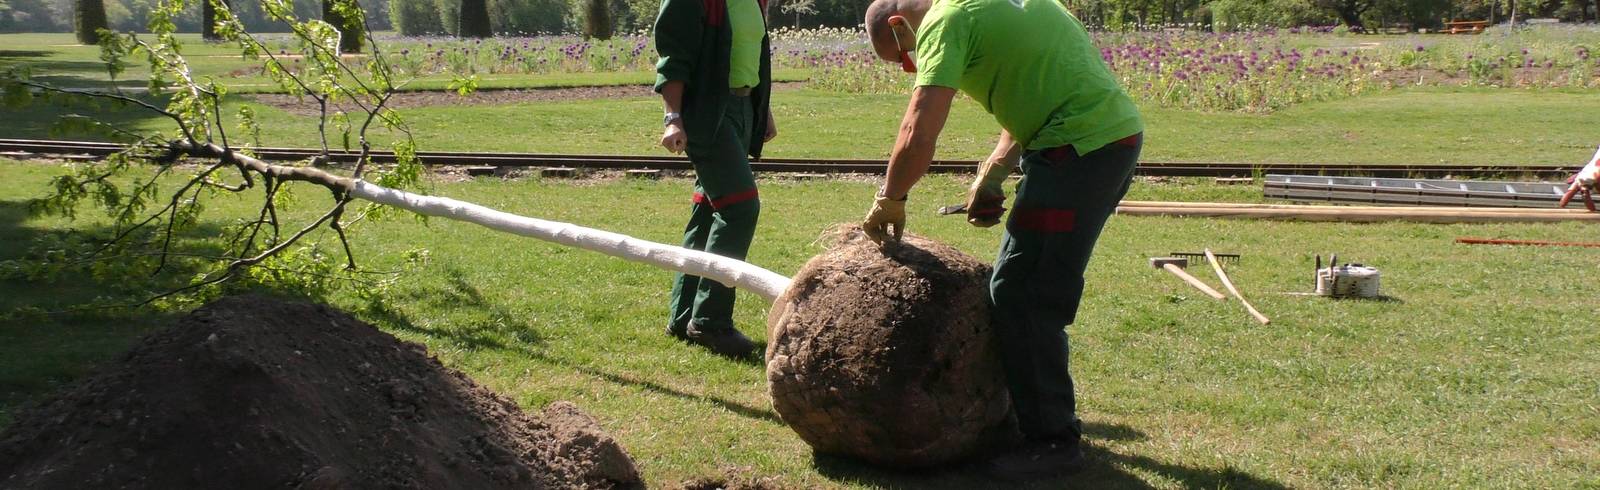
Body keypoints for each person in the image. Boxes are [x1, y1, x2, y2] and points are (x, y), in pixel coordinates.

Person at [860, 0, 1144, 477]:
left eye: (905, 58)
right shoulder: (1003, 5)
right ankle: (1033, 416)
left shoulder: (944, 21)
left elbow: (918, 129)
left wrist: (890, 198)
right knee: (1022, 285)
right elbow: (1038, 86)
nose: (913, 66)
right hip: (1102, 141)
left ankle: (1053, 442)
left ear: (899, 25)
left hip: (1075, 151)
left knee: (1024, 293)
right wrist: (993, 172)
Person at [653, 0, 779, 358]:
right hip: (708, 111)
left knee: (710, 207)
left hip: (741, 107)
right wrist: (673, 117)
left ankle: (683, 316)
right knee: (740, 208)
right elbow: (673, 56)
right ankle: (710, 321)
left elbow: (749, 55)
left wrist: (762, 108)